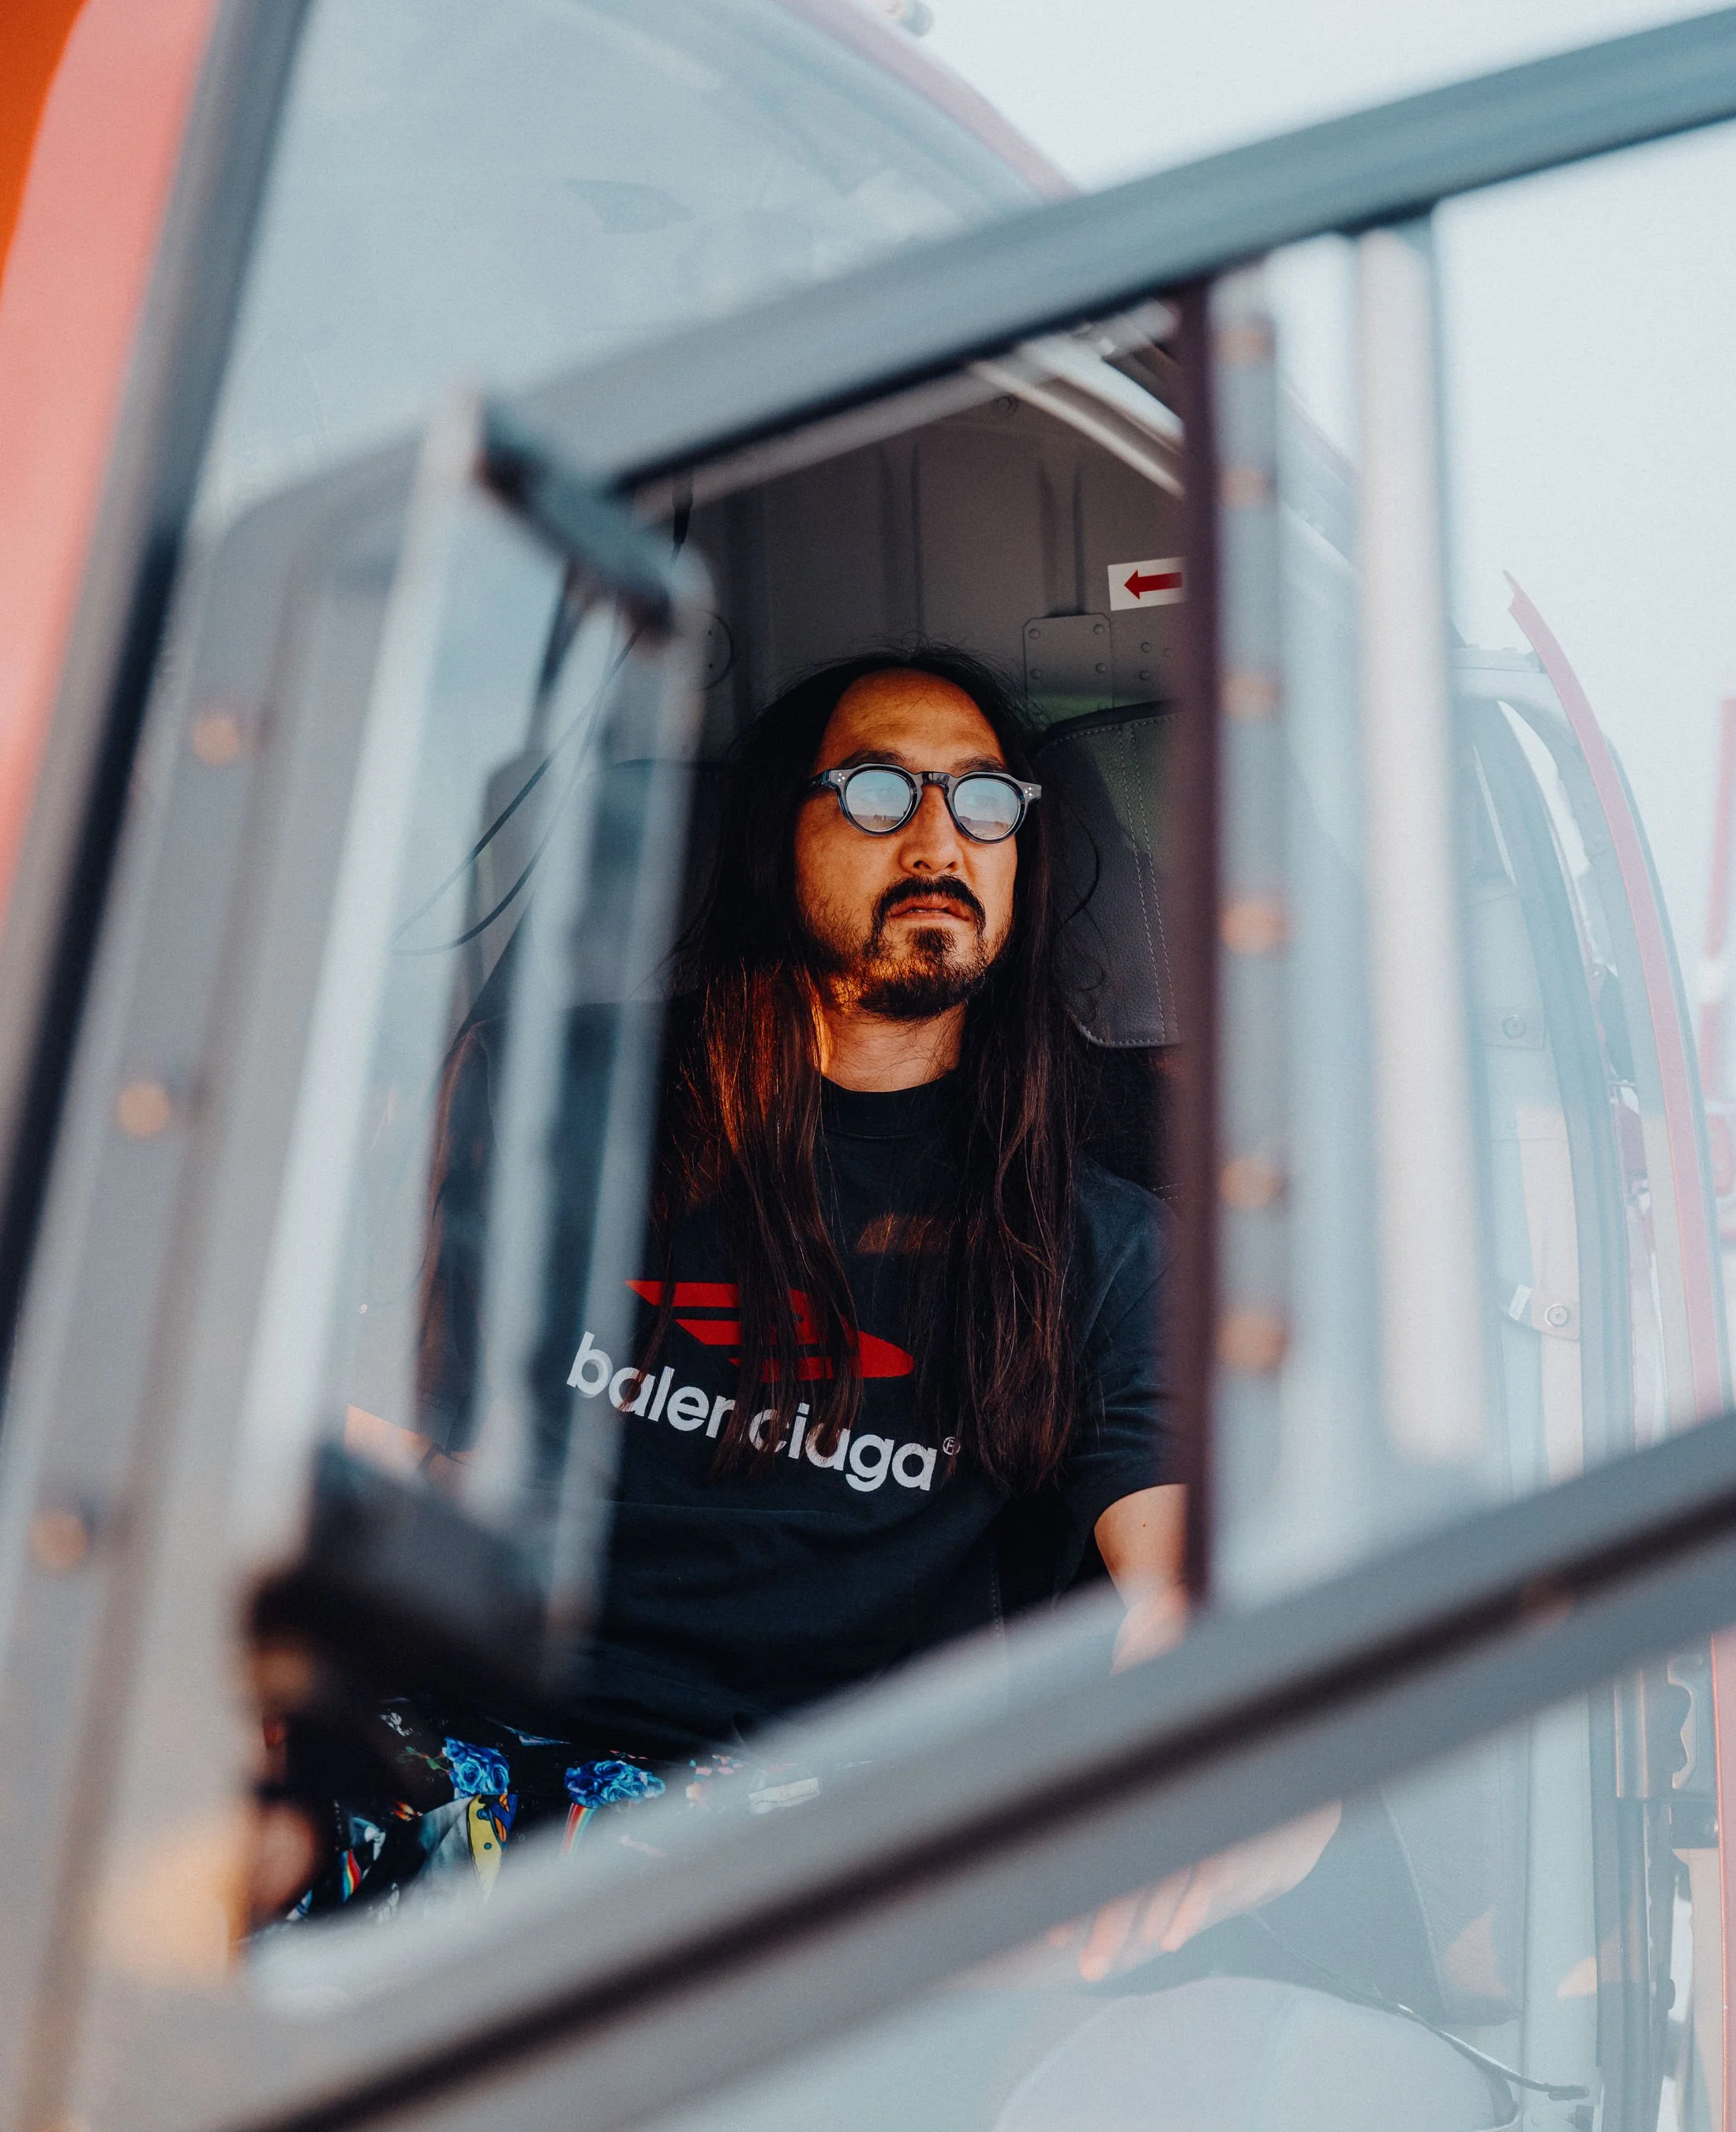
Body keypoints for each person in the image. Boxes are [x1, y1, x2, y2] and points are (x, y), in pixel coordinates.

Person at [276, 650, 1331, 1958]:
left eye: (984, 800)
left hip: (818, 1843)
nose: (941, 840)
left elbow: (1181, 1579)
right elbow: (393, 1440)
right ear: (781, 840)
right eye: (881, 792)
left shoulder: (1100, 1245)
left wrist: (1241, 1752)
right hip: (472, 1760)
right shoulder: (576, 1110)